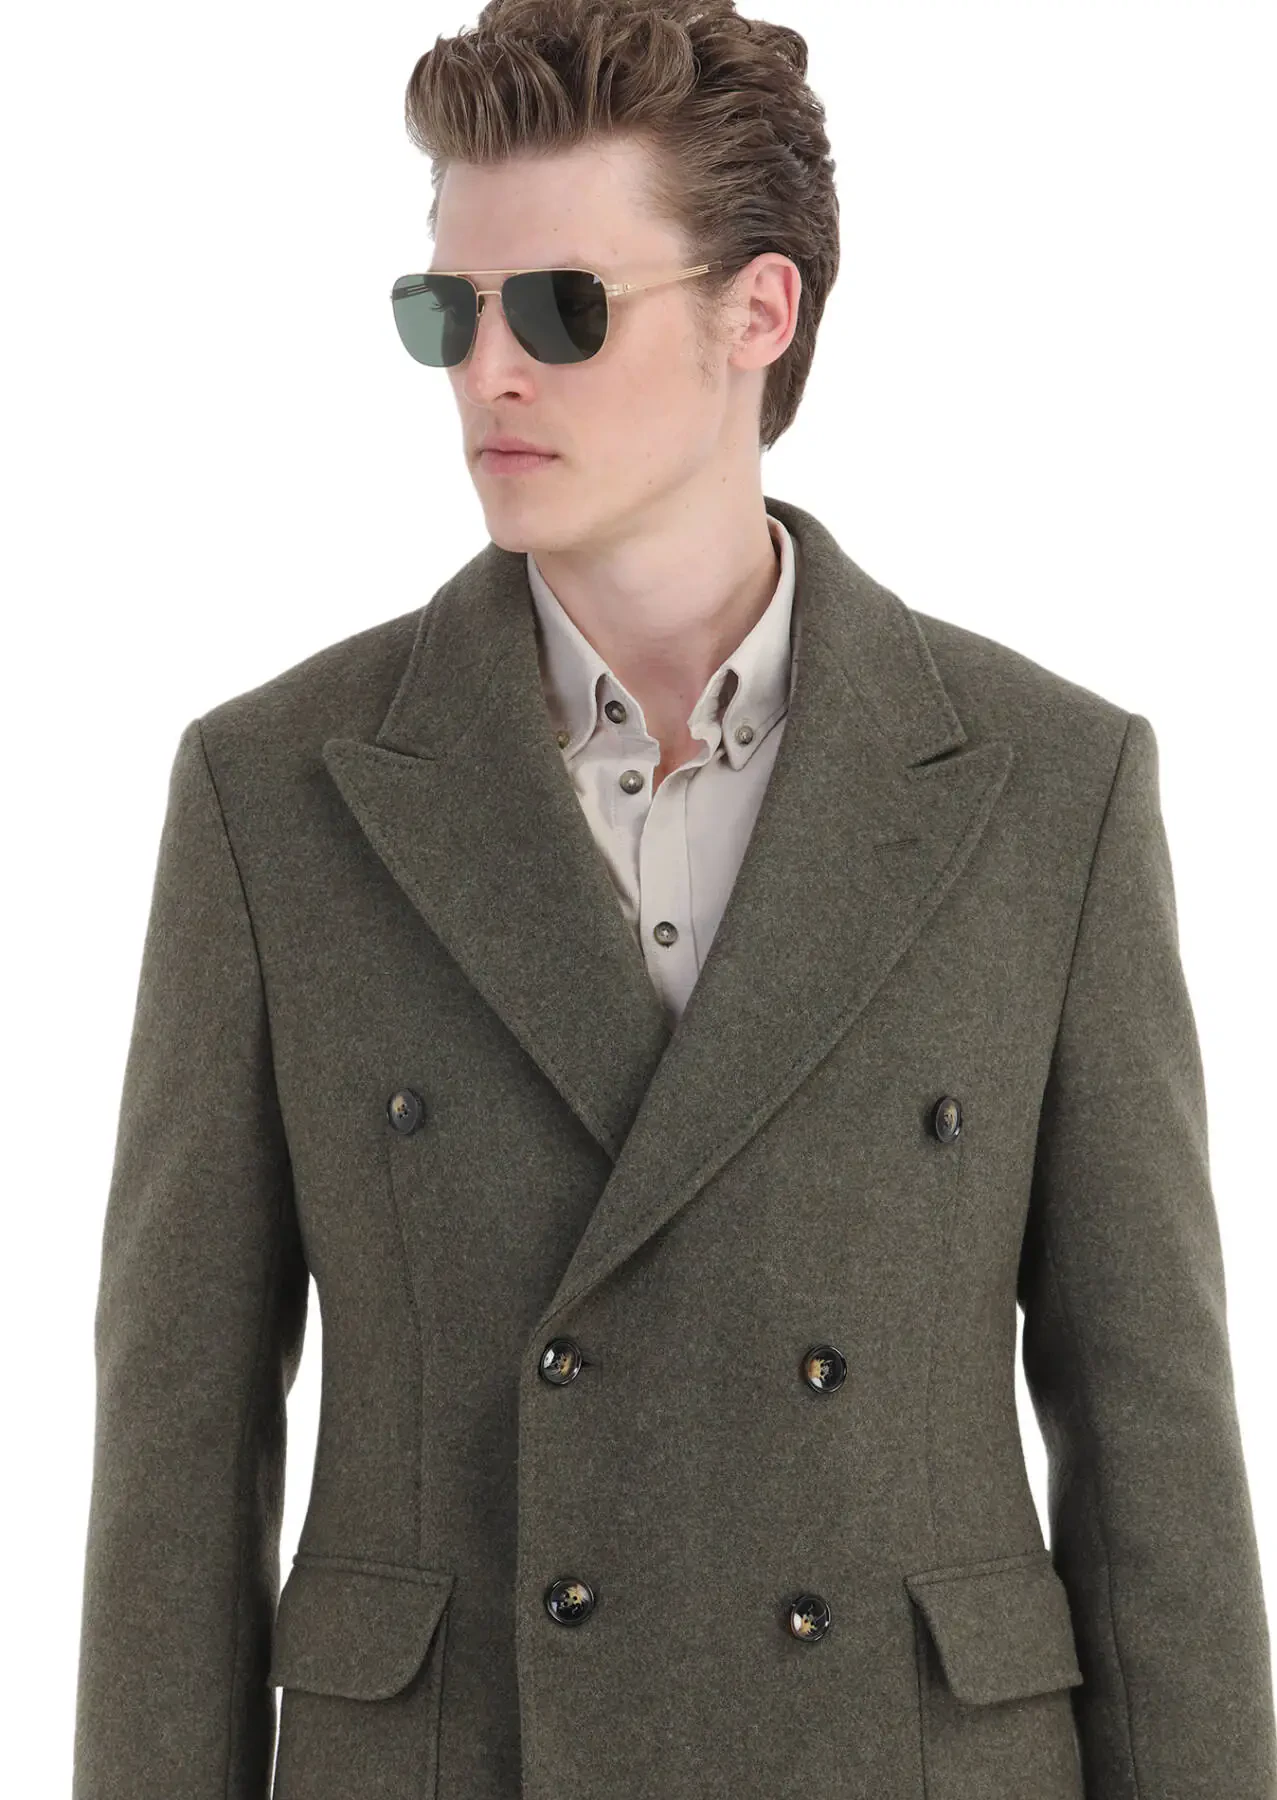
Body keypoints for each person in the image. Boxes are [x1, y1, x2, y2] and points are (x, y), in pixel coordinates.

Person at [72, 3, 1276, 1797]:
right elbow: (177, 1454)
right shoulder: (274, 795)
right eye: (446, 313)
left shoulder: (1048, 788)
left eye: (562, 309)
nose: (489, 373)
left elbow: (1152, 1438)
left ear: (757, 312)